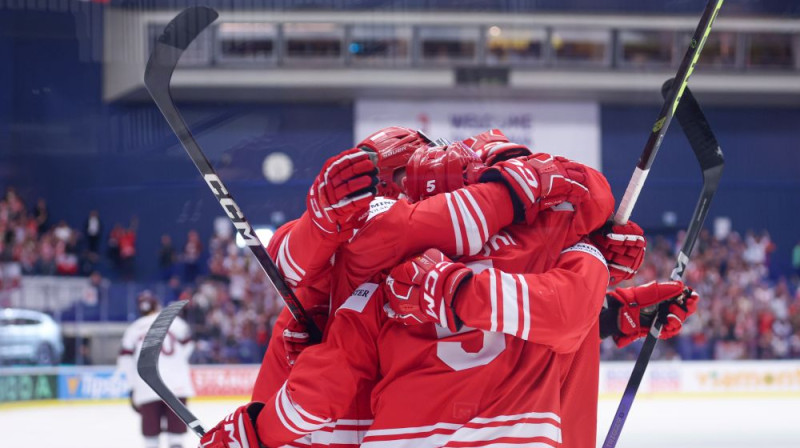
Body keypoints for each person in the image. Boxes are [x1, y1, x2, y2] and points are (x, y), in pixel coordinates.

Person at [118, 291, 195, 448]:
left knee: (151, 438)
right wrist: (176, 364)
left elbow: (124, 360)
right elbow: (189, 347)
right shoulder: (176, 321)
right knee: (176, 437)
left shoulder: (134, 328)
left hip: (147, 387)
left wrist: (133, 387)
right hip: (177, 385)